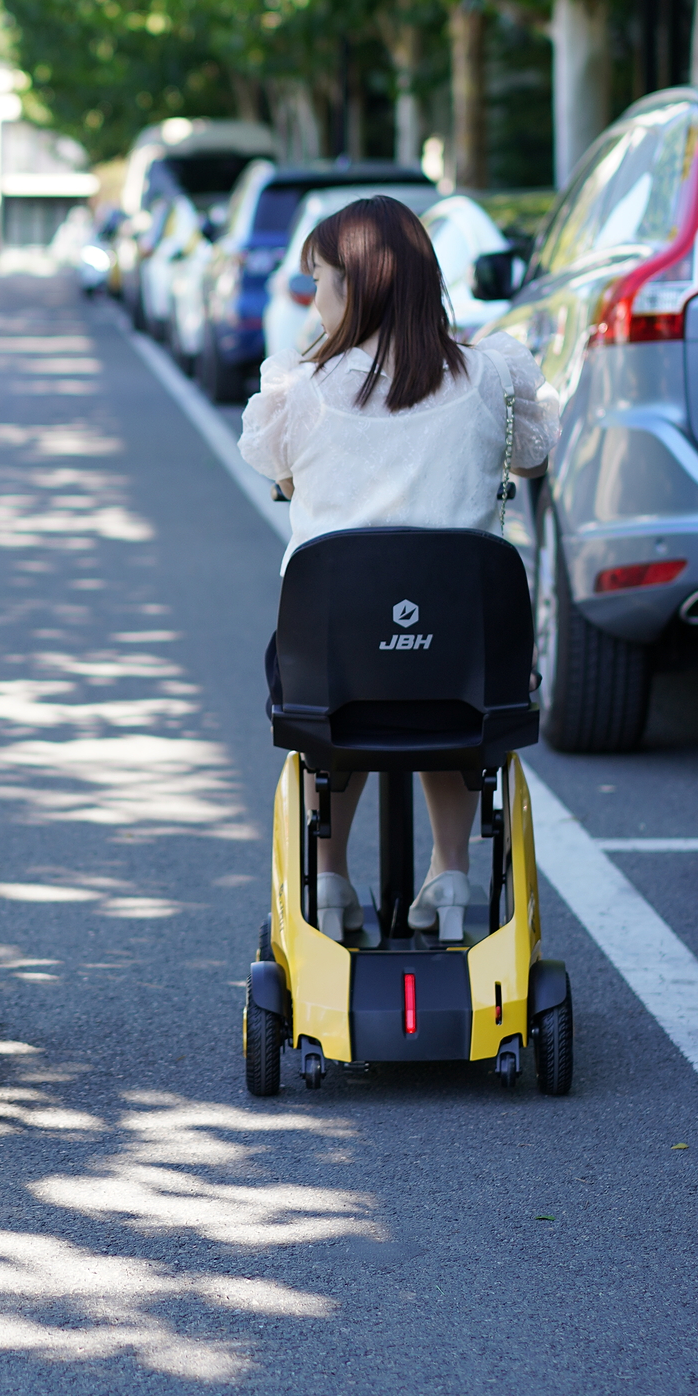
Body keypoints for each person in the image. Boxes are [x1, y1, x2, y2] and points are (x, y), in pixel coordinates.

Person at [238, 195, 558, 944]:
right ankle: (451, 874)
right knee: (447, 675)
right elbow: (535, 456)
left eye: (318, 280)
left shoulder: (304, 389)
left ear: (356, 289)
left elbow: (274, 467)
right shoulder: (490, 375)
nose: (312, 298)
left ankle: (336, 881)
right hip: (469, 668)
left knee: (337, 698)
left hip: (334, 672)